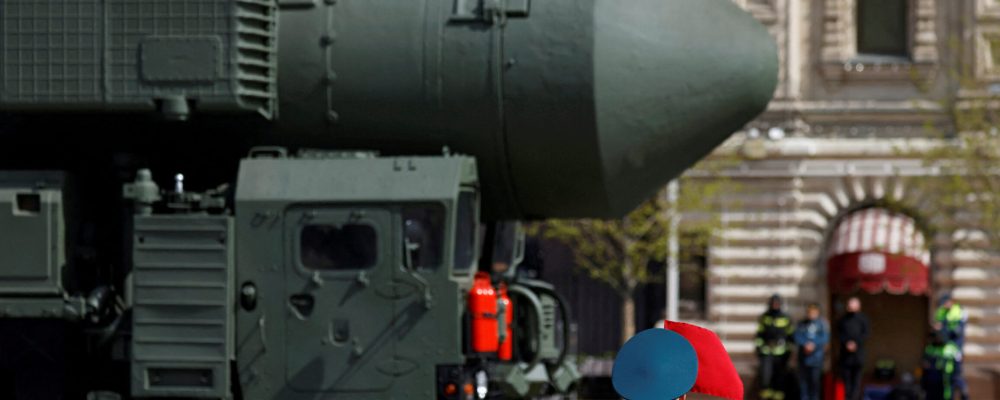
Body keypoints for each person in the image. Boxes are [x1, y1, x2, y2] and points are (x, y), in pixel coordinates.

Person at [755, 294, 795, 400]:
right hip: (767, 352)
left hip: (781, 354)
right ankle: (765, 397)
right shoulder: (765, 317)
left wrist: (789, 352)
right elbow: (759, 334)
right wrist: (759, 349)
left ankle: (778, 397)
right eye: (773, 303)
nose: (775, 305)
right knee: (765, 378)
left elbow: (790, 336)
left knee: (779, 379)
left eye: (777, 303)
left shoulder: (785, 318)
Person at [933, 294, 969, 400]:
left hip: (955, 350)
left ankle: (965, 396)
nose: (944, 306)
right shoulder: (942, 312)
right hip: (945, 351)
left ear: (950, 302)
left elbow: (958, 332)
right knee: (947, 379)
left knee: (956, 377)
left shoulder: (958, 312)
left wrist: (942, 328)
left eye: (945, 303)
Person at [836, 296, 870, 400]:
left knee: (856, 382)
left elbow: (866, 334)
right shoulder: (842, 320)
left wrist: (856, 343)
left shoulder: (863, 319)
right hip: (845, 356)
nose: (851, 308)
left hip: (858, 356)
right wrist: (847, 343)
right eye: (849, 305)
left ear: (858, 307)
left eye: (853, 305)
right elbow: (838, 334)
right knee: (847, 382)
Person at [794, 303, 829, 400]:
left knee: (815, 383)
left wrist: (814, 345)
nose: (811, 315)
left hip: (816, 359)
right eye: (810, 312)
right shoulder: (802, 323)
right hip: (803, 358)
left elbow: (824, 338)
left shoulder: (822, 324)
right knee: (803, 384)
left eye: (814, 312)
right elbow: (797, 336)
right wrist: (805, 344)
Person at [921, 332, 961, 400]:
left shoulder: (950, 348)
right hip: (932, 378)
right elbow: (925, 363)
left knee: (946, 395)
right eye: (937, 338)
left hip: (947, 377)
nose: (938, 339)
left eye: (940, 338)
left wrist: (955, 375)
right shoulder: (929, 348)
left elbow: (957, 363)